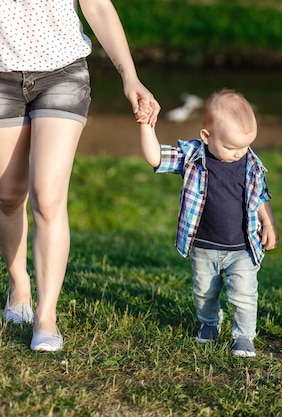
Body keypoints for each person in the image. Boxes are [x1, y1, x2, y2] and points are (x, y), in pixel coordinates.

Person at [0, 0, 159, 352]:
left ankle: (46, 316)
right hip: (2, 74)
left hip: (62, 73)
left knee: (49, 196)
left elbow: (99, 6)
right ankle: (19, 286)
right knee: (9, 196)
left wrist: (129, 77)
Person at [139, 89, 279, 357]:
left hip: (242, 247)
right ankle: (209, 324)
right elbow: (155, 157)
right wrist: (147, 127)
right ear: (207, 136)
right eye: (231, 147)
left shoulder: (250, 162)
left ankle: (243, 337)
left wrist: (269, 224)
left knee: (244, 296)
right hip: (204, 246)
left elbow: (260, 195)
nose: (239, 153)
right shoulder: (192, 156)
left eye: (245, 146)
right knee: (204, 292)